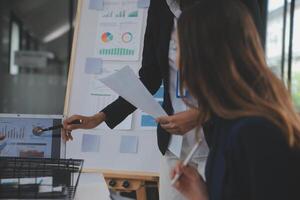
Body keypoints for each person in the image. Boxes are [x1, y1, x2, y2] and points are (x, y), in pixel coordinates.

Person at [63, 0, 262, 199]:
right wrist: (100, 117)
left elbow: (250, 75)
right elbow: (149, 76)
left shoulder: (235, 6)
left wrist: (201, 114)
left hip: (219, 143)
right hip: (174, 147)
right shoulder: (160, 6)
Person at [168, 0, 300, 200]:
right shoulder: (224, 125)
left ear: (201, 55)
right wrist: (200, 194)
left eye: (178, 47)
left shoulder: (256, 132)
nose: (176, 61)